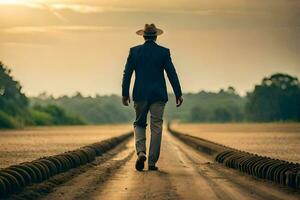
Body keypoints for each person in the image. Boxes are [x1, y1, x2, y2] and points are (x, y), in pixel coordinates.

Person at [122, 24, 183, 171]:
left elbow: (127, 74)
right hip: (158, 95)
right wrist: (178, 93)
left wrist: (125, 93)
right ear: (156, 36)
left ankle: (141, 151)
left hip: (140, 94)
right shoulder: (163, 52)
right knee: (156, 126)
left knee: (139, 124)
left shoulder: (134, 51)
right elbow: (171, 74)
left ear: (143, 36)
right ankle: (151, 163)